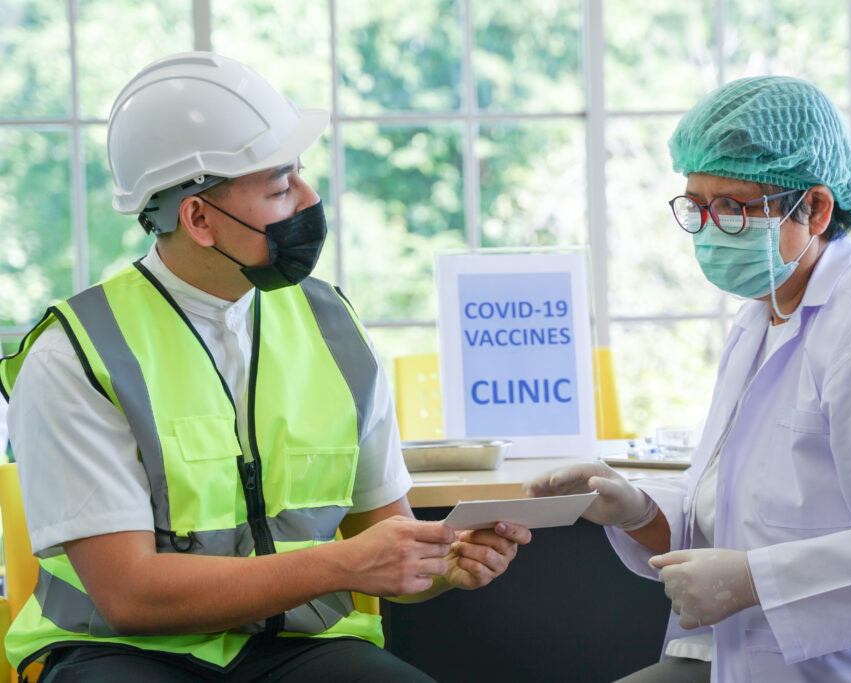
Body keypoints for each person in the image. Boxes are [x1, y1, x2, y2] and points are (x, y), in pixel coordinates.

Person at [0, 52, 531, 682]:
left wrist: (443, 563)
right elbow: (129, 596)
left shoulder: (334, 330)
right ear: (198, 218)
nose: (310, 199)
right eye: (280, 188)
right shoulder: (76, 356)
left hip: (296, 646)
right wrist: (344, 565)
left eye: (300, 176)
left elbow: (385, 538)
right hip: (120, 651)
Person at [527, 75, 851, 682]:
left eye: (734, 207)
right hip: (758, 658)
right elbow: (741, 513)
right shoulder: (762, 318)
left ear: (815, 208)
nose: (710, 229)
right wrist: (637, 509)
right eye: (696, 206)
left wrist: (755, 581)